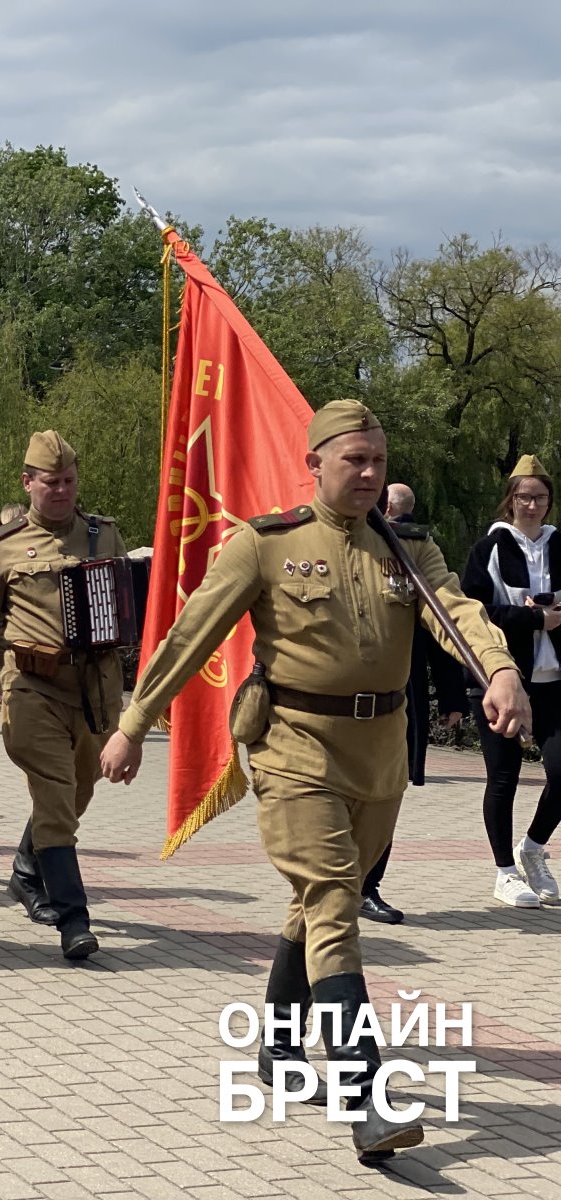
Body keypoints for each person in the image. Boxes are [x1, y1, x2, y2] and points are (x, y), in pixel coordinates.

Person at [100, 400, 527, 1162]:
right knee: (336, 903)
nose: (368, 474)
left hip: (380, 752)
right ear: (316, 464)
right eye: (353, 460)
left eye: (378, 462)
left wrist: (498, 670)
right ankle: (367, 1098)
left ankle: (278, 1041)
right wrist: (135, 724)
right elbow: (189, 631)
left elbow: (457, 612)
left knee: (316, 902)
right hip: (294, 746)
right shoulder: (265, 545)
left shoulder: (410, 549)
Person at [0, 431, 126, 956]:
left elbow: (129, 609)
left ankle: (26, 869)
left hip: (94, 693)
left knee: (77, 794)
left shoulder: (106, 537)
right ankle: (74, 920)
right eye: (50, 482)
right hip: (32, 688)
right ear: (27, 483)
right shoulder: (2, 547)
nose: (61, 491)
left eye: (69, 481)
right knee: (56, 797)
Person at [362, 484, 469, 923]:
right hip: (338, 704)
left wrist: (453, 697)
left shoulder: (412, 550)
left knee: (389, 794)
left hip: (399, 697)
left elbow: (441, 625)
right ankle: (338, 887)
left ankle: (367, 887)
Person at [460, 455, 561, 908]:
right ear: (511, 500)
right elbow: (474, 614)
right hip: (501, 677)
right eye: (524, 496)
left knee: (560, 770)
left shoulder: (560, 545)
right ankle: (504, 871)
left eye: (540, 497)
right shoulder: (491, 549)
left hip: (554, 678)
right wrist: (534, 617)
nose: (532, 504)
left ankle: (534, 849)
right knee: (504, 776)